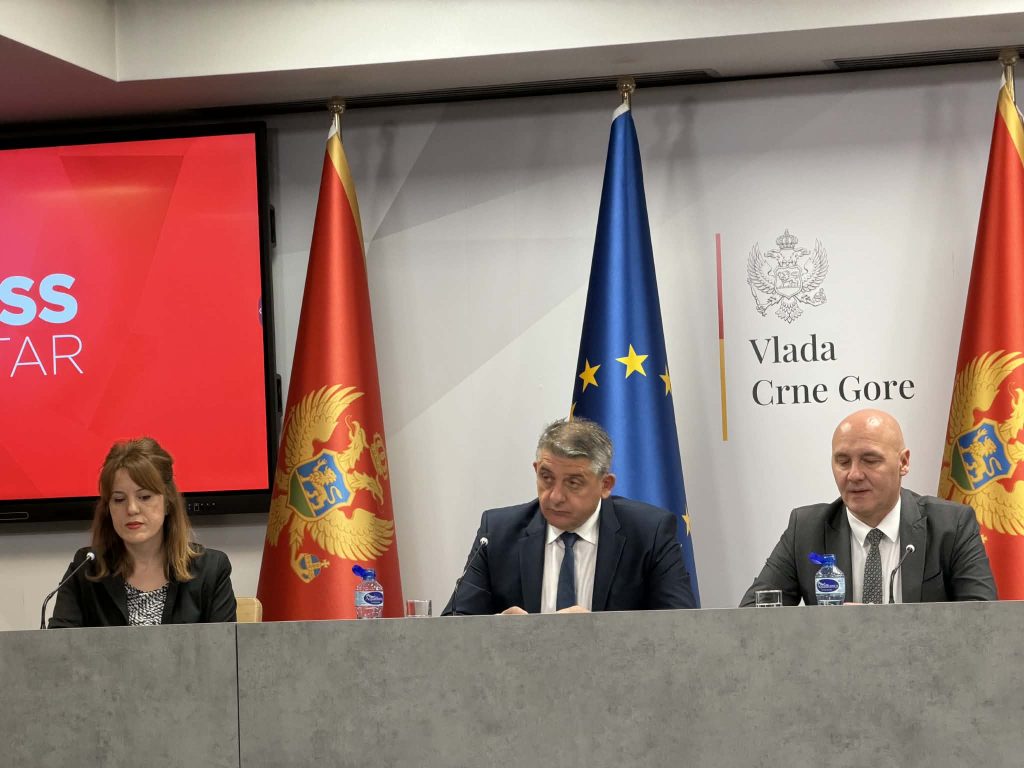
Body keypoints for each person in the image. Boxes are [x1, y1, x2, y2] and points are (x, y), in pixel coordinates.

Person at [740, 408, 996, 606]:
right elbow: (752, 616)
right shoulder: (806, 530)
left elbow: (983, 622)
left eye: (870, 460)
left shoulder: (951, 525)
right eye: (843, 461)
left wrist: (882, 630)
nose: (854, 475)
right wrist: (829, 629)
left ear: (903, 462)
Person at [442, 418, 695, 615]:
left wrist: (598, 634)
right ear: (536, 469)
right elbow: (453, 625)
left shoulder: (649, 533)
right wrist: (496, 630)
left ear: (605, 485)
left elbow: (681, 630)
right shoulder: (497, 533)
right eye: (546, 478)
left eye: (573, 482)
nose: (555, 497)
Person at [48, 437, 237, 627]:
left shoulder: (211, 570)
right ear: (108, 508)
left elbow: (224, 644)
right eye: (119, 499)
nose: (131, 509)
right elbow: (60, 642)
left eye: (144, 497)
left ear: (168, 502)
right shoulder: (86, 569)